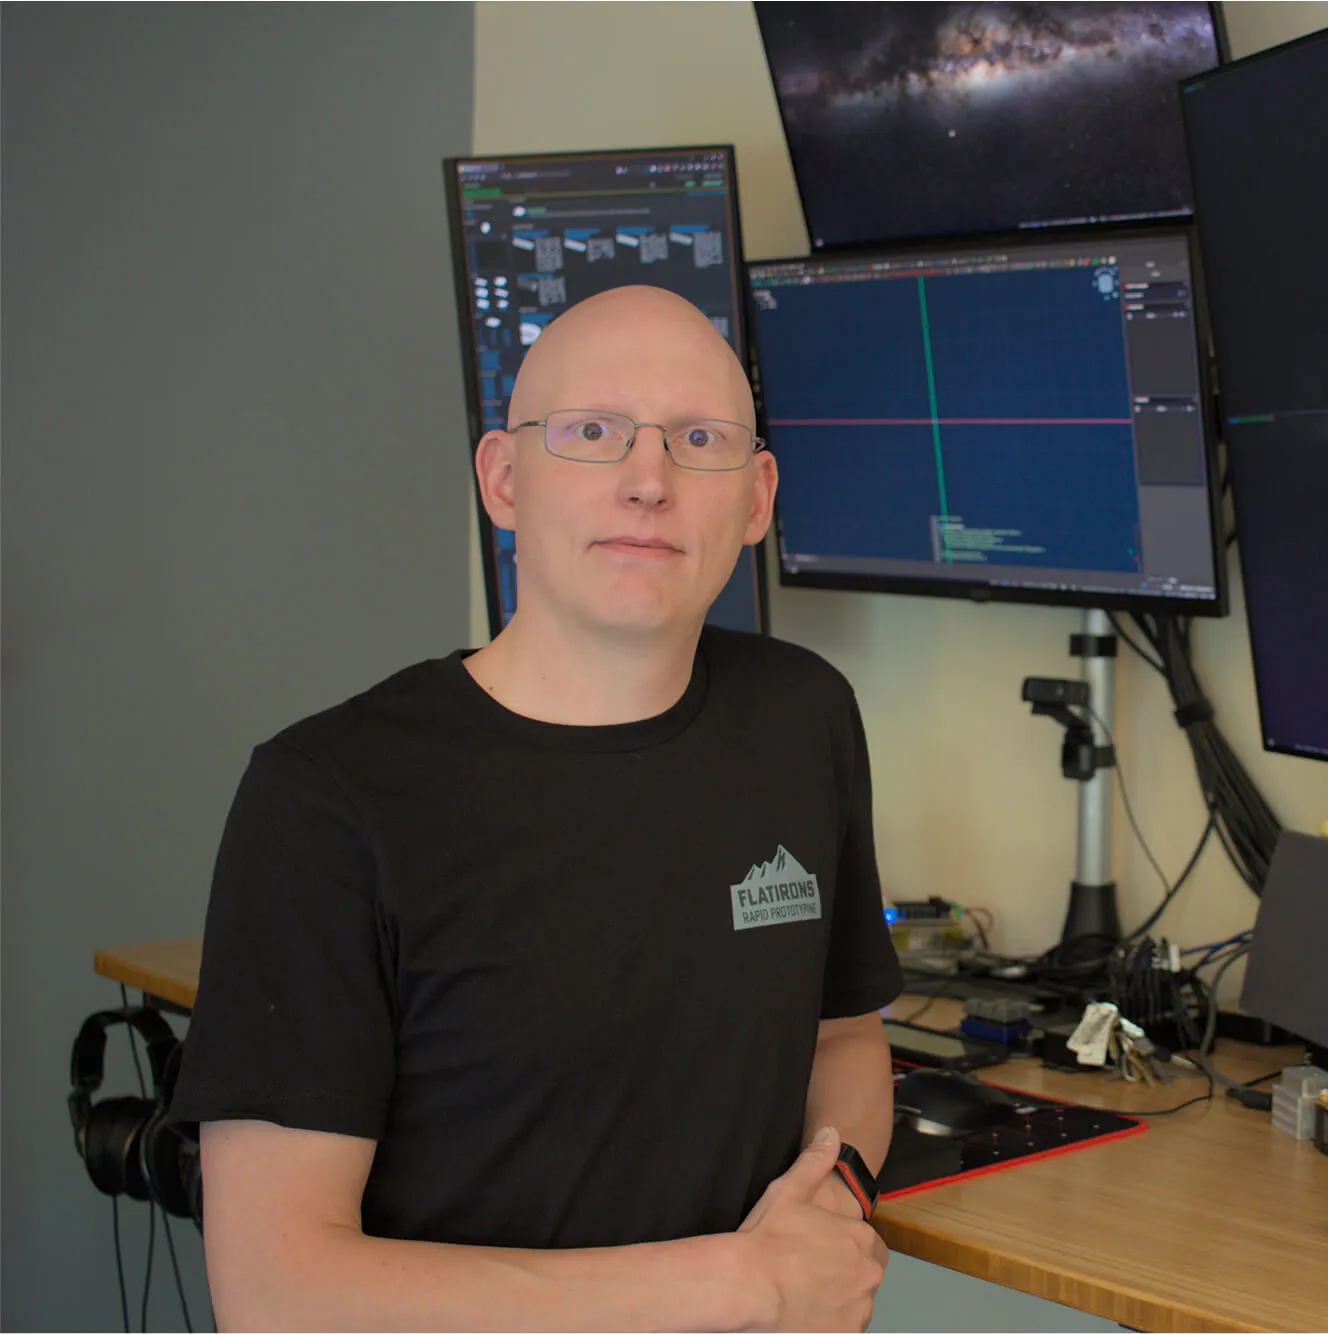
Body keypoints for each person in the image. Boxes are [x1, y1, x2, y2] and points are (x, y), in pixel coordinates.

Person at [170, 286, 898, 1331]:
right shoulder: (327, 796)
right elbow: (277, 1294)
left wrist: (826, 1211)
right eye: (593, 433)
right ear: (504, 479)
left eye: (700, 439)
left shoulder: (803, 715)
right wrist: (745, 1282)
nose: (649, 483)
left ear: (755, 498)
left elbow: (843, 1037)